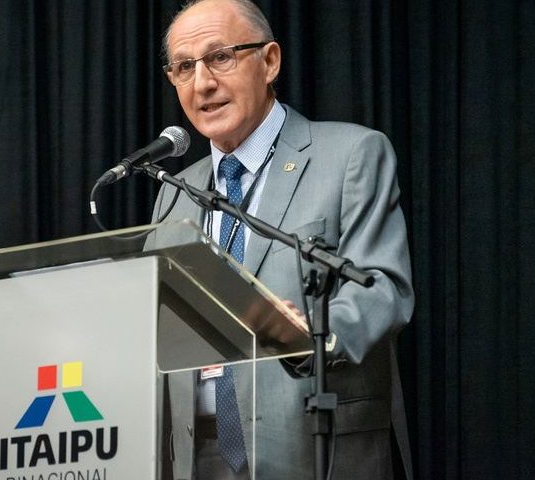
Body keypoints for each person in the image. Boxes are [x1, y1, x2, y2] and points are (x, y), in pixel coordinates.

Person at [149, 0, 415, 479]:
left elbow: (382, 287)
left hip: (315, 447)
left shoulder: (350, 155)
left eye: (220, 57)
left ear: (269, 61)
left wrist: (312, 334)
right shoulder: (175, 192)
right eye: (184, 67)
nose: (202, 83)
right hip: (198, 458)